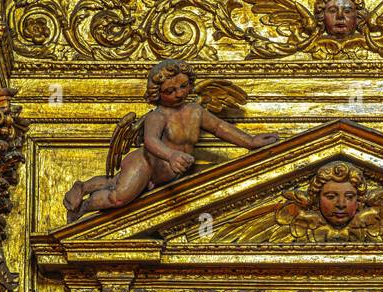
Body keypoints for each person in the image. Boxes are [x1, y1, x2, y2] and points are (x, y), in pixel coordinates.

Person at [63, 58, 280, 220]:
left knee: (114, 183)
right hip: (146, 163)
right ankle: (83, 207)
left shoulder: (196, 111)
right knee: (117, 197)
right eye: (170, 90)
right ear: (158, 93)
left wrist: (250, 141)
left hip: (165, 174)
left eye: (183, 86)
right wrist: (172, 155)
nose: (178, 94)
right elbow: (150, 142)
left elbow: (220, 127)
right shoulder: (158, 116)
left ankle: (83, 186)